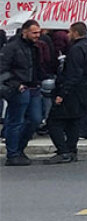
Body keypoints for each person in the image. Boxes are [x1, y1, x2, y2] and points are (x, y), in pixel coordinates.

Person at [44, 22, 87, 164]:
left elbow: (73, 74)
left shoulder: (76, 49)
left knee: (54, 121)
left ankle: (63, 151)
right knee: (73, 121)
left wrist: (62, 93)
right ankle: (71, 149)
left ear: (75, 32)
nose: (68, 35)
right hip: (86, 89)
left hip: (73, 91)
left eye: (69, 32)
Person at [1, 20, 45, 166]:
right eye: (34, 33)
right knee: (16, 121)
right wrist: (15, 84)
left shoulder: (35, 47)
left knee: (35, 119)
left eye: (39, 32)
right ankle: (13, 154)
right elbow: (3, 69)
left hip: (33, 88)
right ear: (24, 32)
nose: (37, 35)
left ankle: (20, 149)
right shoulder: (12, 47)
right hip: (19, 89)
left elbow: (37, 67)